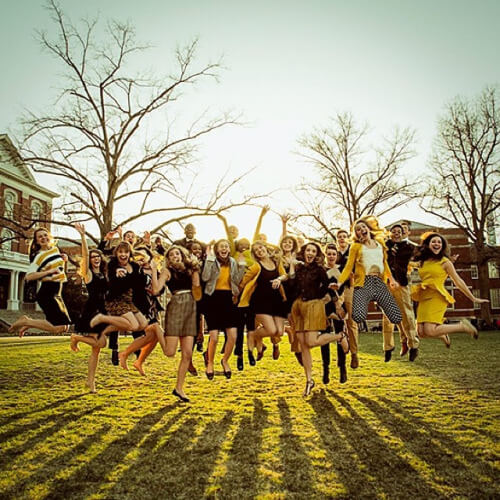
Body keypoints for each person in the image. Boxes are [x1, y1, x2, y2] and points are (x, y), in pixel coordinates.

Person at [334, 217, 403, 362]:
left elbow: (385, 263)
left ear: (368, 228)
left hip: (379, 281)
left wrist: (391, 279)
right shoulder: (355, 247)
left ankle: (397, 344)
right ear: (356, 234)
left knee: (395, 315)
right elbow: (348, 267)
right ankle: (354, 354)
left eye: (363, 227)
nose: (361, 231)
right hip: (361, 283)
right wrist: (340, 283)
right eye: (357, 230)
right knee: (355, 319)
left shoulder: (380, 244)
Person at [411, 232, 488, 343]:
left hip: (437, 296)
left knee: (430, 330)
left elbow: (458, 281)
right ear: (428, 245)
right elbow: (408, 263)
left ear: (442, 246)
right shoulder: (423, 261)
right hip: (424, 295)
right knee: (421, 333)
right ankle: (443, 334)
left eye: (439, 242)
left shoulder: (445, 262)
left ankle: (462, 326)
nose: (437, 244)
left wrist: (473, 298)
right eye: (434, 241)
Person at [289, 242, 343, 397]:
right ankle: (309, 380)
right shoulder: (298, 268)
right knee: (303, 345)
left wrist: (332, 302)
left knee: (312, 341)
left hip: (313, 306)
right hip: (298, 306)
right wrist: (292, 268)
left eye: (313, 251)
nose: (310, 253)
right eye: (308, 250)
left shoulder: (319, 270)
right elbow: (292, 285)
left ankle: (339, 336)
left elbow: (327, 287)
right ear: (304, 252)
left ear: (317, 254)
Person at [156, 245, 201, 402]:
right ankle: (156, 330)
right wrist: (157, 271)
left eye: (178, 253)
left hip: (191, 307)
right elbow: (156, 290)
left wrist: (195, 267)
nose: (175, 256)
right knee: (170, 352)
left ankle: (179, 388)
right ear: (168, 259)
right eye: (172, 255)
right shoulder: (167, 271)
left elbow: (196, 286)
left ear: (182, 255)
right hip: (176, 306)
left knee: (187, 353)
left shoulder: (190, 269)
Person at [69, 223, 109, 393]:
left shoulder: (105, 273)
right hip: (92, 311)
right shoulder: (88, 274)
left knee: (96, 350)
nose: (95, 258)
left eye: (97, 256)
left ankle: (90, 382)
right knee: (101, 343)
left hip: (103, 311)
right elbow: (84, 255)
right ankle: (76, 337)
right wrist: (84, 237)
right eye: (92, 257)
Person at [9, 227, 72, 336]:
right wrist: (48, 272)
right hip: (47, 292)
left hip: (57, 292)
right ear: (37, 241)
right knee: (59, 327)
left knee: (65, 328)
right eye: (40, 236)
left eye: (45, 235)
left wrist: (64, 260)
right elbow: (29, 277)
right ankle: (26, 321)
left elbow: (59, 271)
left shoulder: (55, 250)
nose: (43, 238)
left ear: (50, 237)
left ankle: (29, 323)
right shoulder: (38, 256)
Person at [201, 239, 246, 380]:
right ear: (217, 249)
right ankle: (210, 363)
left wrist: (242, 265)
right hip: (213, 299)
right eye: (221, 246)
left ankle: (225, 360)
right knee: (213, 337)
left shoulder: (232, 261)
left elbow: (237, 280)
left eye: (226, 246)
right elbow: (205, 277)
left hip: (228, 299)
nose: (224, 249)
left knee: (232, 336)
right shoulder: (212, 261)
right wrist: (209, 259)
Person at [238, 241, 288, 365]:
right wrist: (236, 295)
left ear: (265, 247)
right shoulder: (256, 266)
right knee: (271, 330)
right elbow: (244, 281)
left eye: (260, 247)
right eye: (256, 250)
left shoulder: (276, 262)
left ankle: (257, 336)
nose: (259, 251)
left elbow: (284, 275)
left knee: (280, 332)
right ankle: (254, 335)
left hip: (277, 301)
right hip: (260, 302)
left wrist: (279, 279)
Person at [381, 224, 420, 362]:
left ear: (403, 233)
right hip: (386, 283)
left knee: (407, 315)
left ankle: (413, 345)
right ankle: (388, 348)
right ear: (390, 233)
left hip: (401, 283)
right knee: (387, 318)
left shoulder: (409, 247)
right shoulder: (384, 245)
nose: (396, 233)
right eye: (394, 231)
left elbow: (424, 256)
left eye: (399, 231)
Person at [323, 243, 350, 384]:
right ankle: (326, 369)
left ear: (337, 255)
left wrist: (341, 306)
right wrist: (333, 302)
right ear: (325, 254)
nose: (331, 256)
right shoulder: (322, 270)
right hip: (326, 307)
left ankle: (342, 368)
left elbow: (346, 288)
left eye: (334, 254)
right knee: (325, 338)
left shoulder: (342, 270)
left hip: (340, 307)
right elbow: (322, 289)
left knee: (340, 337)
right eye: (329, 253)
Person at [336, 229, 359, 369]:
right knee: (336, 320)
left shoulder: (353, 252)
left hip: (350, 288)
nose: (342, 239)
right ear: (337, 239)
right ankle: (343, 351)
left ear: (348, 238)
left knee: (352, 322)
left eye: (344, 236)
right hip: (336, 290)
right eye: (340, 237)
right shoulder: (334, 253)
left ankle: (354, 354)